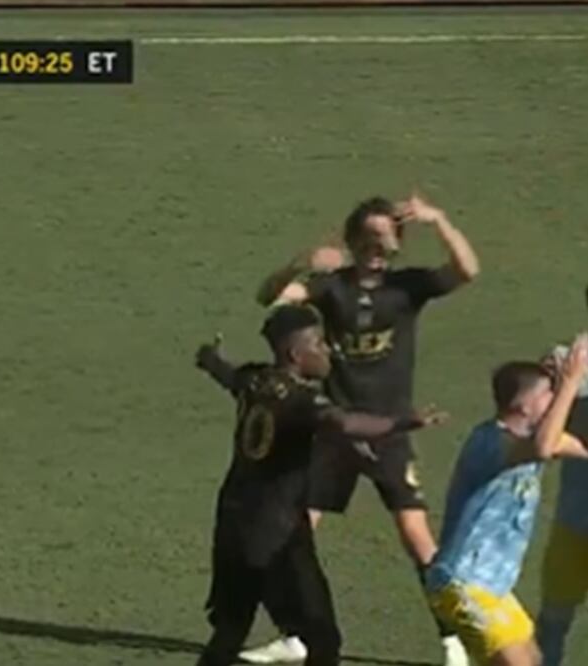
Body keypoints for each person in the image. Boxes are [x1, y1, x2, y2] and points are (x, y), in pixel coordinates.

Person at [246, 193, 479, 665]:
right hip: (333, 430)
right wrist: (301, 263)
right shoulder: (331, 288)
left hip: (389, 432)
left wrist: (440, 220)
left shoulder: (408, 288)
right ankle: (297, 634)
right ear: (352, 240)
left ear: (397, 242)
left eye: (385, 236)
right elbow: (267, 296)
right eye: (368, 236)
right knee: (294, 535)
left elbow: (467, 270)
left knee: (417, 537)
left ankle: (454, 639)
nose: (377, 245)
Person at [194, 304, 447, 666]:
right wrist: (404, 423)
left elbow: (227, 374)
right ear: (296, 355)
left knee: (231, 630)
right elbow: (343, 424)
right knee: (323, 639)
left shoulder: (256, 380)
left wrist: (209, 358)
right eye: (319, 343)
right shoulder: (302, 400)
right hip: (278, 533)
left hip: (233, 523)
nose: (329, 349)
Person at [426, 334, 588, 666]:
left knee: (534, 659)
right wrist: (571, 382)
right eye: (548, 395)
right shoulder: (492, 442)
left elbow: (574, 446)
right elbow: (545, 447)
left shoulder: (526, 436)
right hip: (465, 583)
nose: (556, 400)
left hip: (493, 589)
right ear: (524, 406)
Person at [536, 293, 588, 666]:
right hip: (575, 521)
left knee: (553, 621)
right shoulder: (573, 361)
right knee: (553, 621)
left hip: (573, 520)